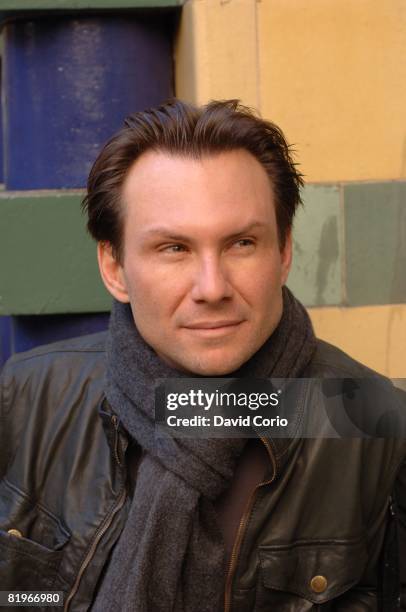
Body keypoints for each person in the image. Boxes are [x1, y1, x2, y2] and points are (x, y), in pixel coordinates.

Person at [0, 99, 405, 612]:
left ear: (282, 252)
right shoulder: (28, 397)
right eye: (174, 248)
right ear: (115, 267)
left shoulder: (377, 428)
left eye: (241, 242)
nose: (212, 288)